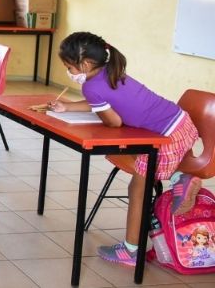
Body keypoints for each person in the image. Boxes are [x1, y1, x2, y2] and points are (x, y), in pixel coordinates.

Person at [51, 31, 200, 266]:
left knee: (137, 188)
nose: (69, 73)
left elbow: (113, 121)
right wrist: (68, 107)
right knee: (140, 169)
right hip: (181, 123)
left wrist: (85, 111)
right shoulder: (112, 69)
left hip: (166, 138)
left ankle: (131, 250)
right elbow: (103, 104)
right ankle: (180, 178)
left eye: (70, 68)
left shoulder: (92, 87)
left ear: (85, 64)